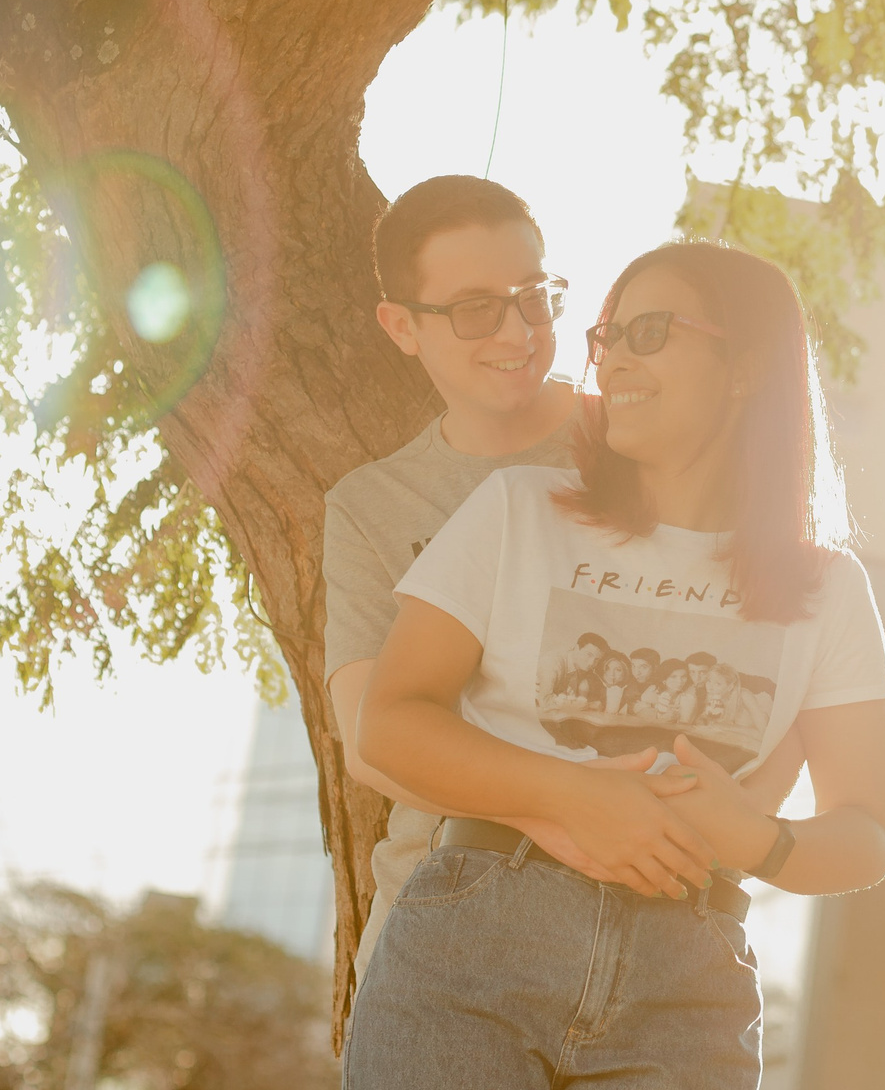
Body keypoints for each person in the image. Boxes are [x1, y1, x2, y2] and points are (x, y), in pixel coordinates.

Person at [344, 240, 885, 1090]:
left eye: (649, 332)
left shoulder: (827, 589)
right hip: (472, 955)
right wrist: (574, 796)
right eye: (607, 337)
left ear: (747, 366)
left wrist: (756, 837)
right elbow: (389, 725)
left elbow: (868, 831)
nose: (611, 360)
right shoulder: (519, 510)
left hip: (685, 987)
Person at [323, 180, 804, 985]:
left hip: (655, 927)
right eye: (477, 309)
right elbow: (371, 738)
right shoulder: (370, 505)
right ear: (402, 325)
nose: (518, 332)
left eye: (536, 299)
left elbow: (773, 658)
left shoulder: (648, 428)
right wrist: (569, 809)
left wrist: (708, 835)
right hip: (435, 933)